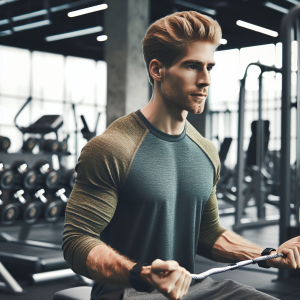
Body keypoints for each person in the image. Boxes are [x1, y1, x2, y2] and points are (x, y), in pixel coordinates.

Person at [62, 11, 300, 300]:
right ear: (157, 70)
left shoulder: (206, 151)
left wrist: (267, 254)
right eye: (192, 66)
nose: (205, 80)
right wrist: (141, 273)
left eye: (209, 67)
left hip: (192, 288)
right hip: (129, 292)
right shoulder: (112, 148)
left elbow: (208, 234)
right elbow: (77, 241)